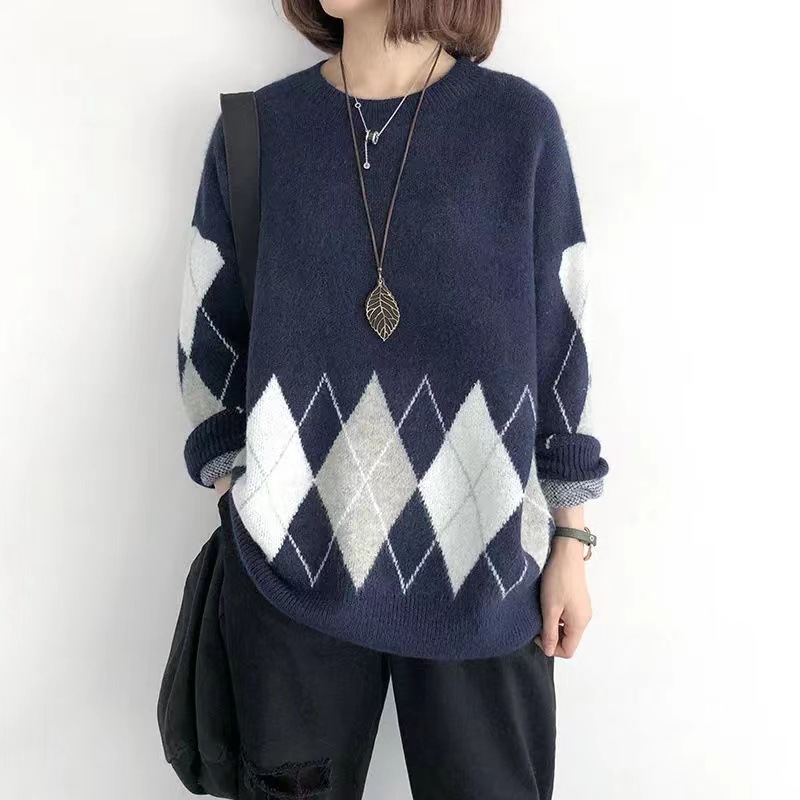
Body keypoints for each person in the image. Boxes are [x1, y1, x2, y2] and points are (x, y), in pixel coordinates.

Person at [176, 1, 609, 797]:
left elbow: (561, 350)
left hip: (485, 571)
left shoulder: (519, 129)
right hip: (288, 578)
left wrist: (571, 541)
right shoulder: (255, 131)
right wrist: (245, 494)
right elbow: (211, 344)